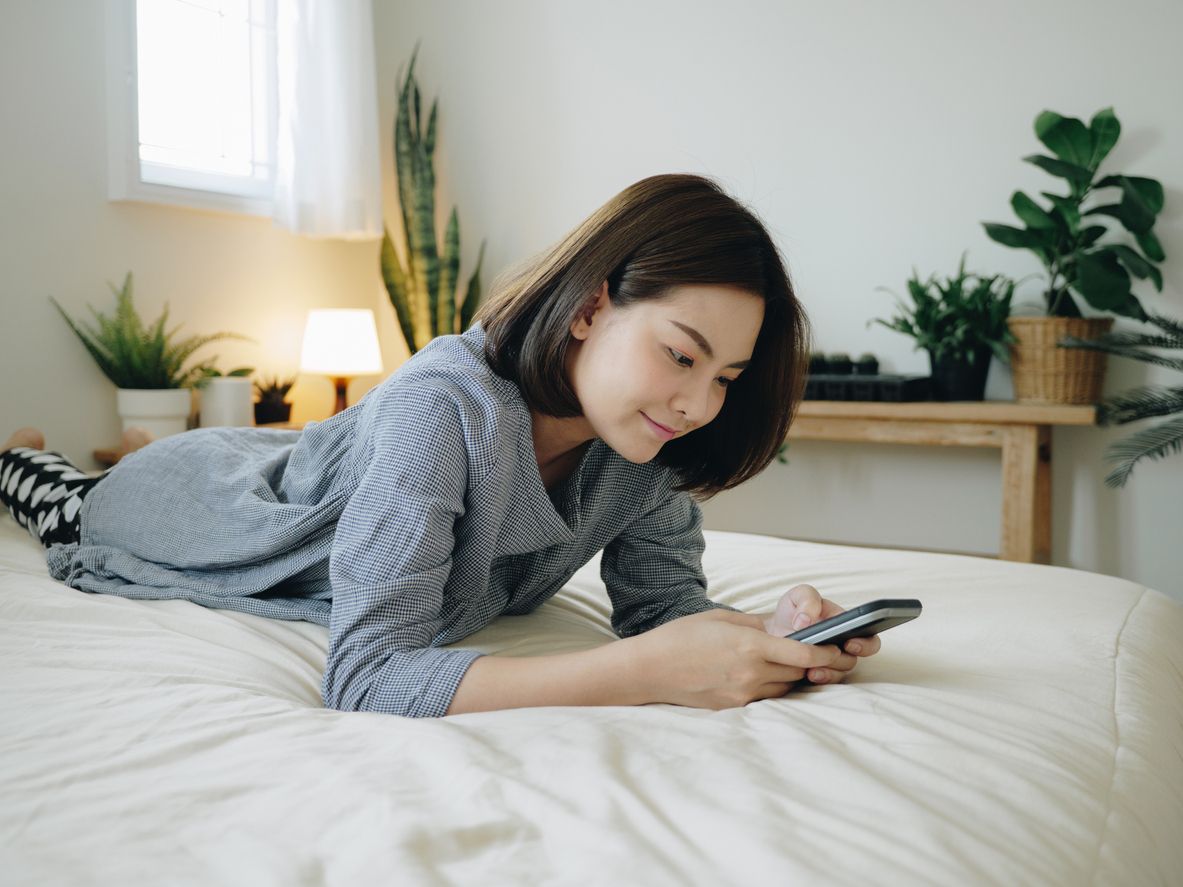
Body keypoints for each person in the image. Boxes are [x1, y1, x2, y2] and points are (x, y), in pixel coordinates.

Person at [0, 173, 880, 718]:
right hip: (214, 504)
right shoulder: (443, 410)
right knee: (72, 503)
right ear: (588, 308)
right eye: (681, 355)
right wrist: (634, 672)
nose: (697, 403)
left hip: (305, 458)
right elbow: (367, 676)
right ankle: (26, 454)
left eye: (725, 376)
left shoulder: (644, 446)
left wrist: (773, 633)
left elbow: (663, 609)